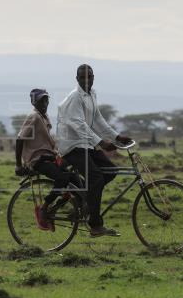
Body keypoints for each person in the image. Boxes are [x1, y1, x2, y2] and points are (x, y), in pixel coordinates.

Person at [56, 64, 132, 237]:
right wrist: (101, 143)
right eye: (83, 77)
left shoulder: (92, 94)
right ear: (77, 79)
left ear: (93, 77)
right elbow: (78, 125)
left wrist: (116, 137)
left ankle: (85, 199)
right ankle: (95, 225)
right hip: (73, 145)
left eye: (89, 77)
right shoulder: (75, 97)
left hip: (86, 144)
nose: (87, 80)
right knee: (96, 177)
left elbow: (97, 119)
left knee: (111, 171)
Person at [15, 88, 73, 231]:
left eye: (46, 100)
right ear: (34, 102)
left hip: (48, 157)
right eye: (41, 100)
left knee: (75, 179)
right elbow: (19, 139)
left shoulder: (43, 116)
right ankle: (45, 208)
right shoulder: (34, 116)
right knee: (63, 178)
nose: (45, 103)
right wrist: (18, 165)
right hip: (38, 160)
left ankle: (67, 205)